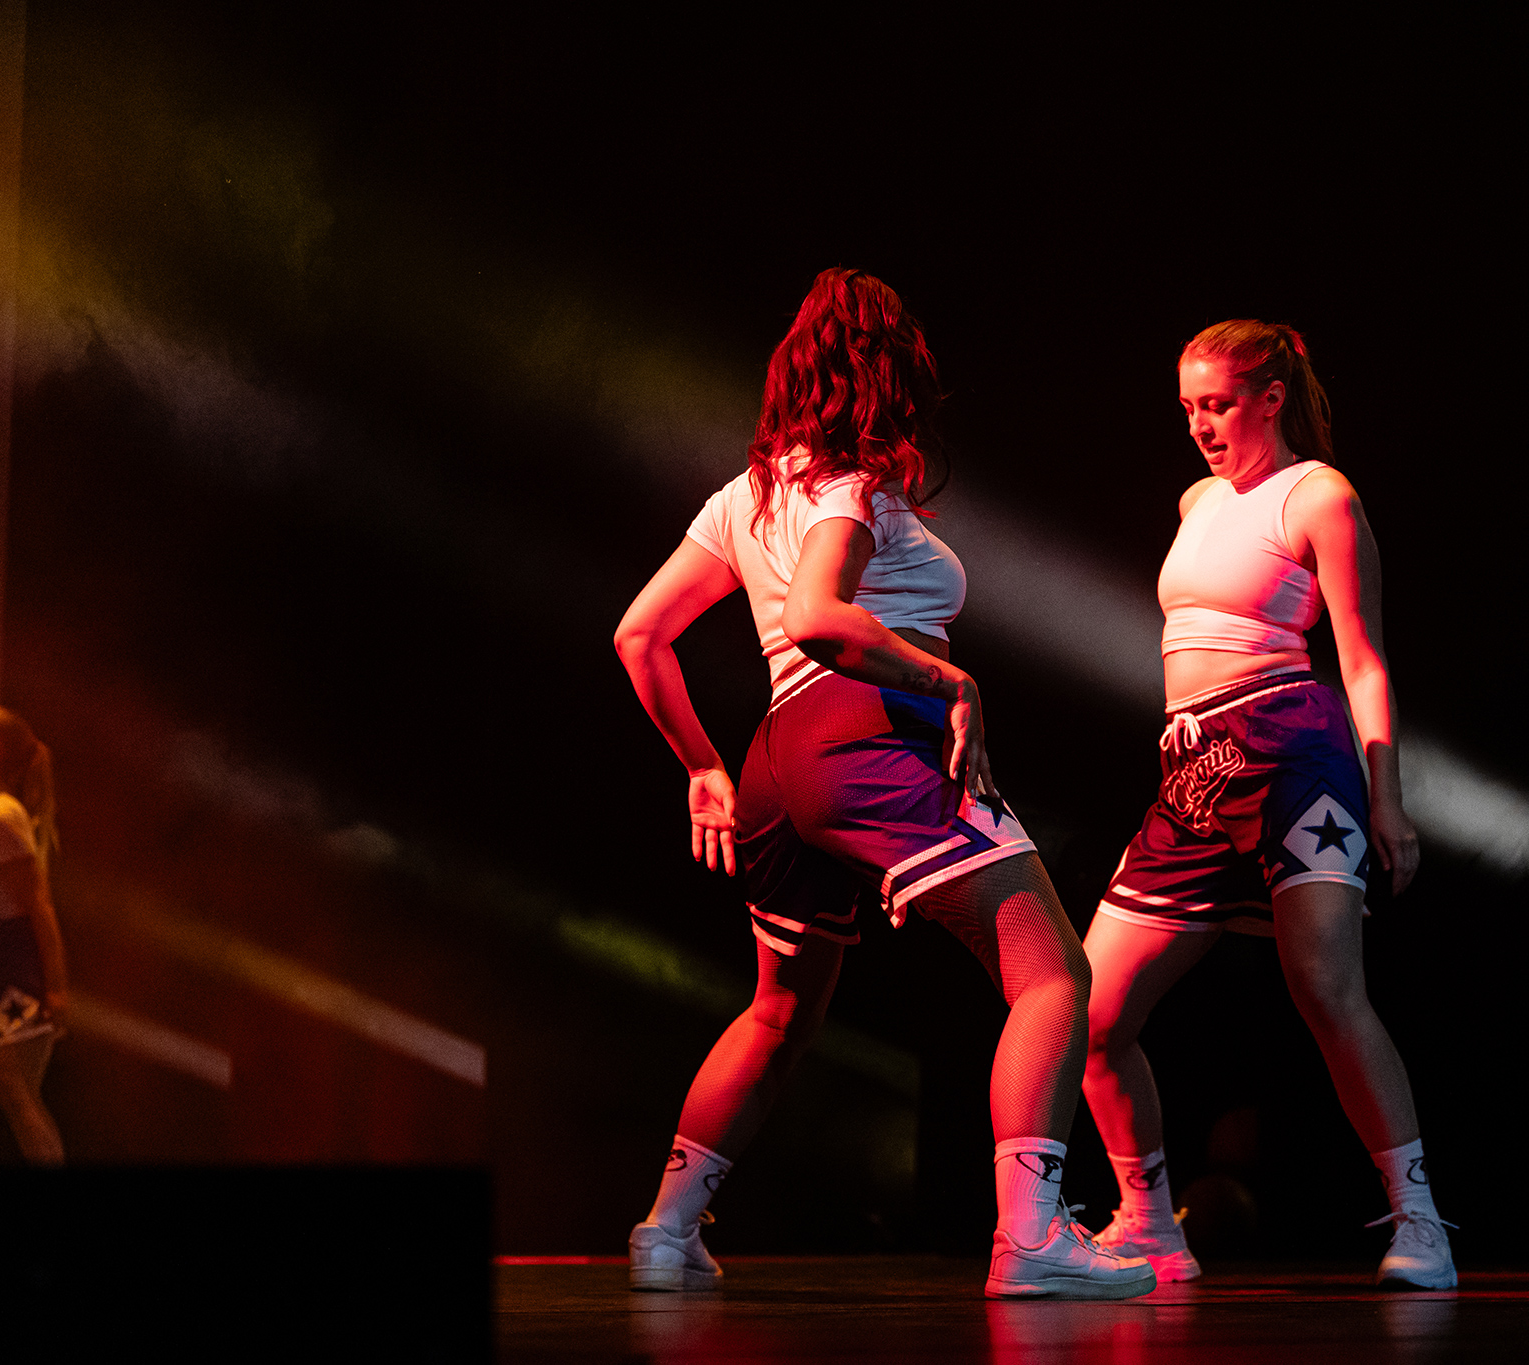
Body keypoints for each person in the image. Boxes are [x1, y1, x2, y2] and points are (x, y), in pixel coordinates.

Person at [613, 269, 1154, 1300]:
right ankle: (1031, 1237)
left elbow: (639, 635)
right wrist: (948, 681)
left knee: (779, 1011)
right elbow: (817, 615)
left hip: (777, 760)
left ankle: (666, 1231)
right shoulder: (849, 485)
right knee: (1052, 974)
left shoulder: (747, 496)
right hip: (866, 733)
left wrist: (704, 768)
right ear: (890, 375)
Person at [1078, 321, 1455, 1289]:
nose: (1199, 426)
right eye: (1187, 408)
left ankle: (1419, 1222)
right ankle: (1148, 1223)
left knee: (1325, 987)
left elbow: (1362, 660)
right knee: (1089, 1010)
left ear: (1270, 398)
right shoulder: (1197, 500)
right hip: (1194, 768)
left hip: (1293, 754)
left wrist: (1387, 799)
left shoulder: (1318, 494)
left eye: (1216, 405)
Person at [0, 708, 69, 1167]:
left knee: (15, 1089)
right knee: (14, 1092)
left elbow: (38, 906)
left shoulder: (2, 815)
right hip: (2, 963)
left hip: (14, 967)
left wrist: (56, 987)